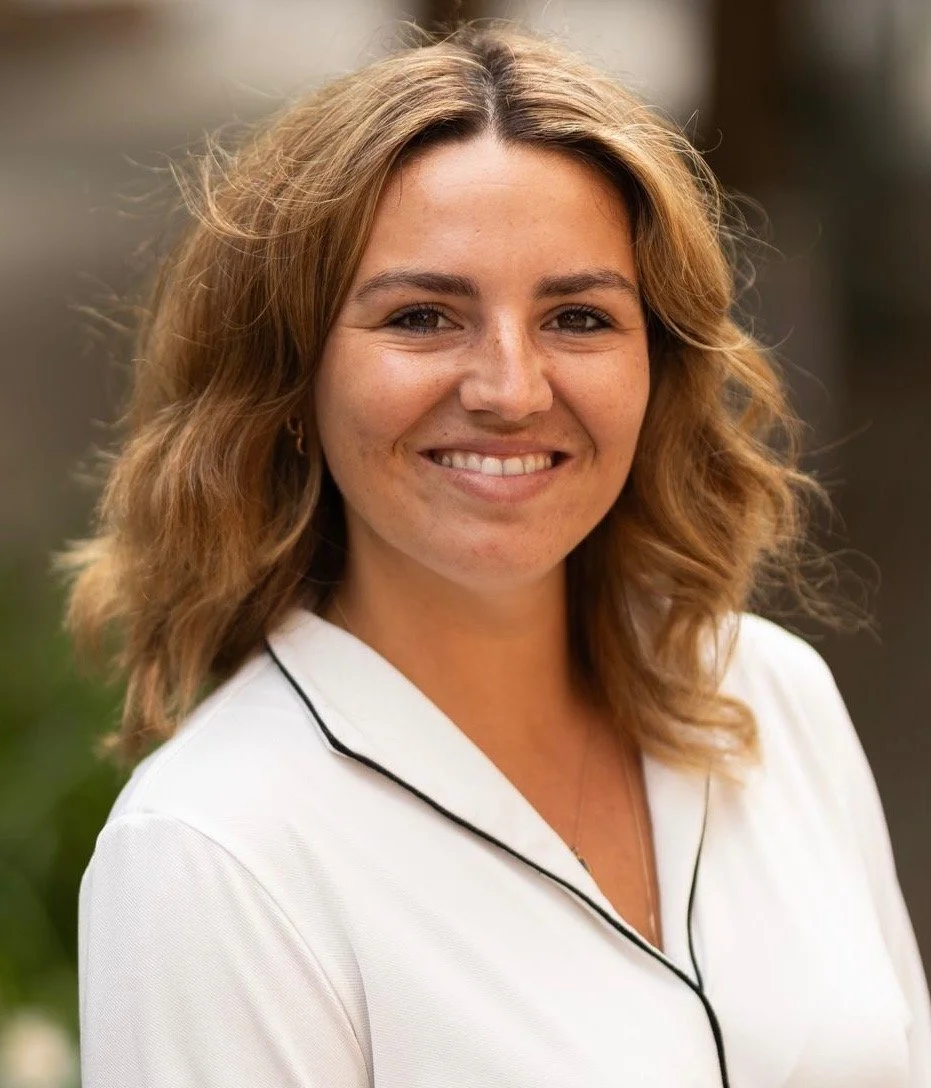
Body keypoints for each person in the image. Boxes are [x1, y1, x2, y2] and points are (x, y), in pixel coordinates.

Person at [65, 22, 930, 1088]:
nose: (511, 389)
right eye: (424, 316)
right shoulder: (215, 851)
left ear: (656, 367)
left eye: (576, 316)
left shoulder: (769, 697)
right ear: (291, 382)